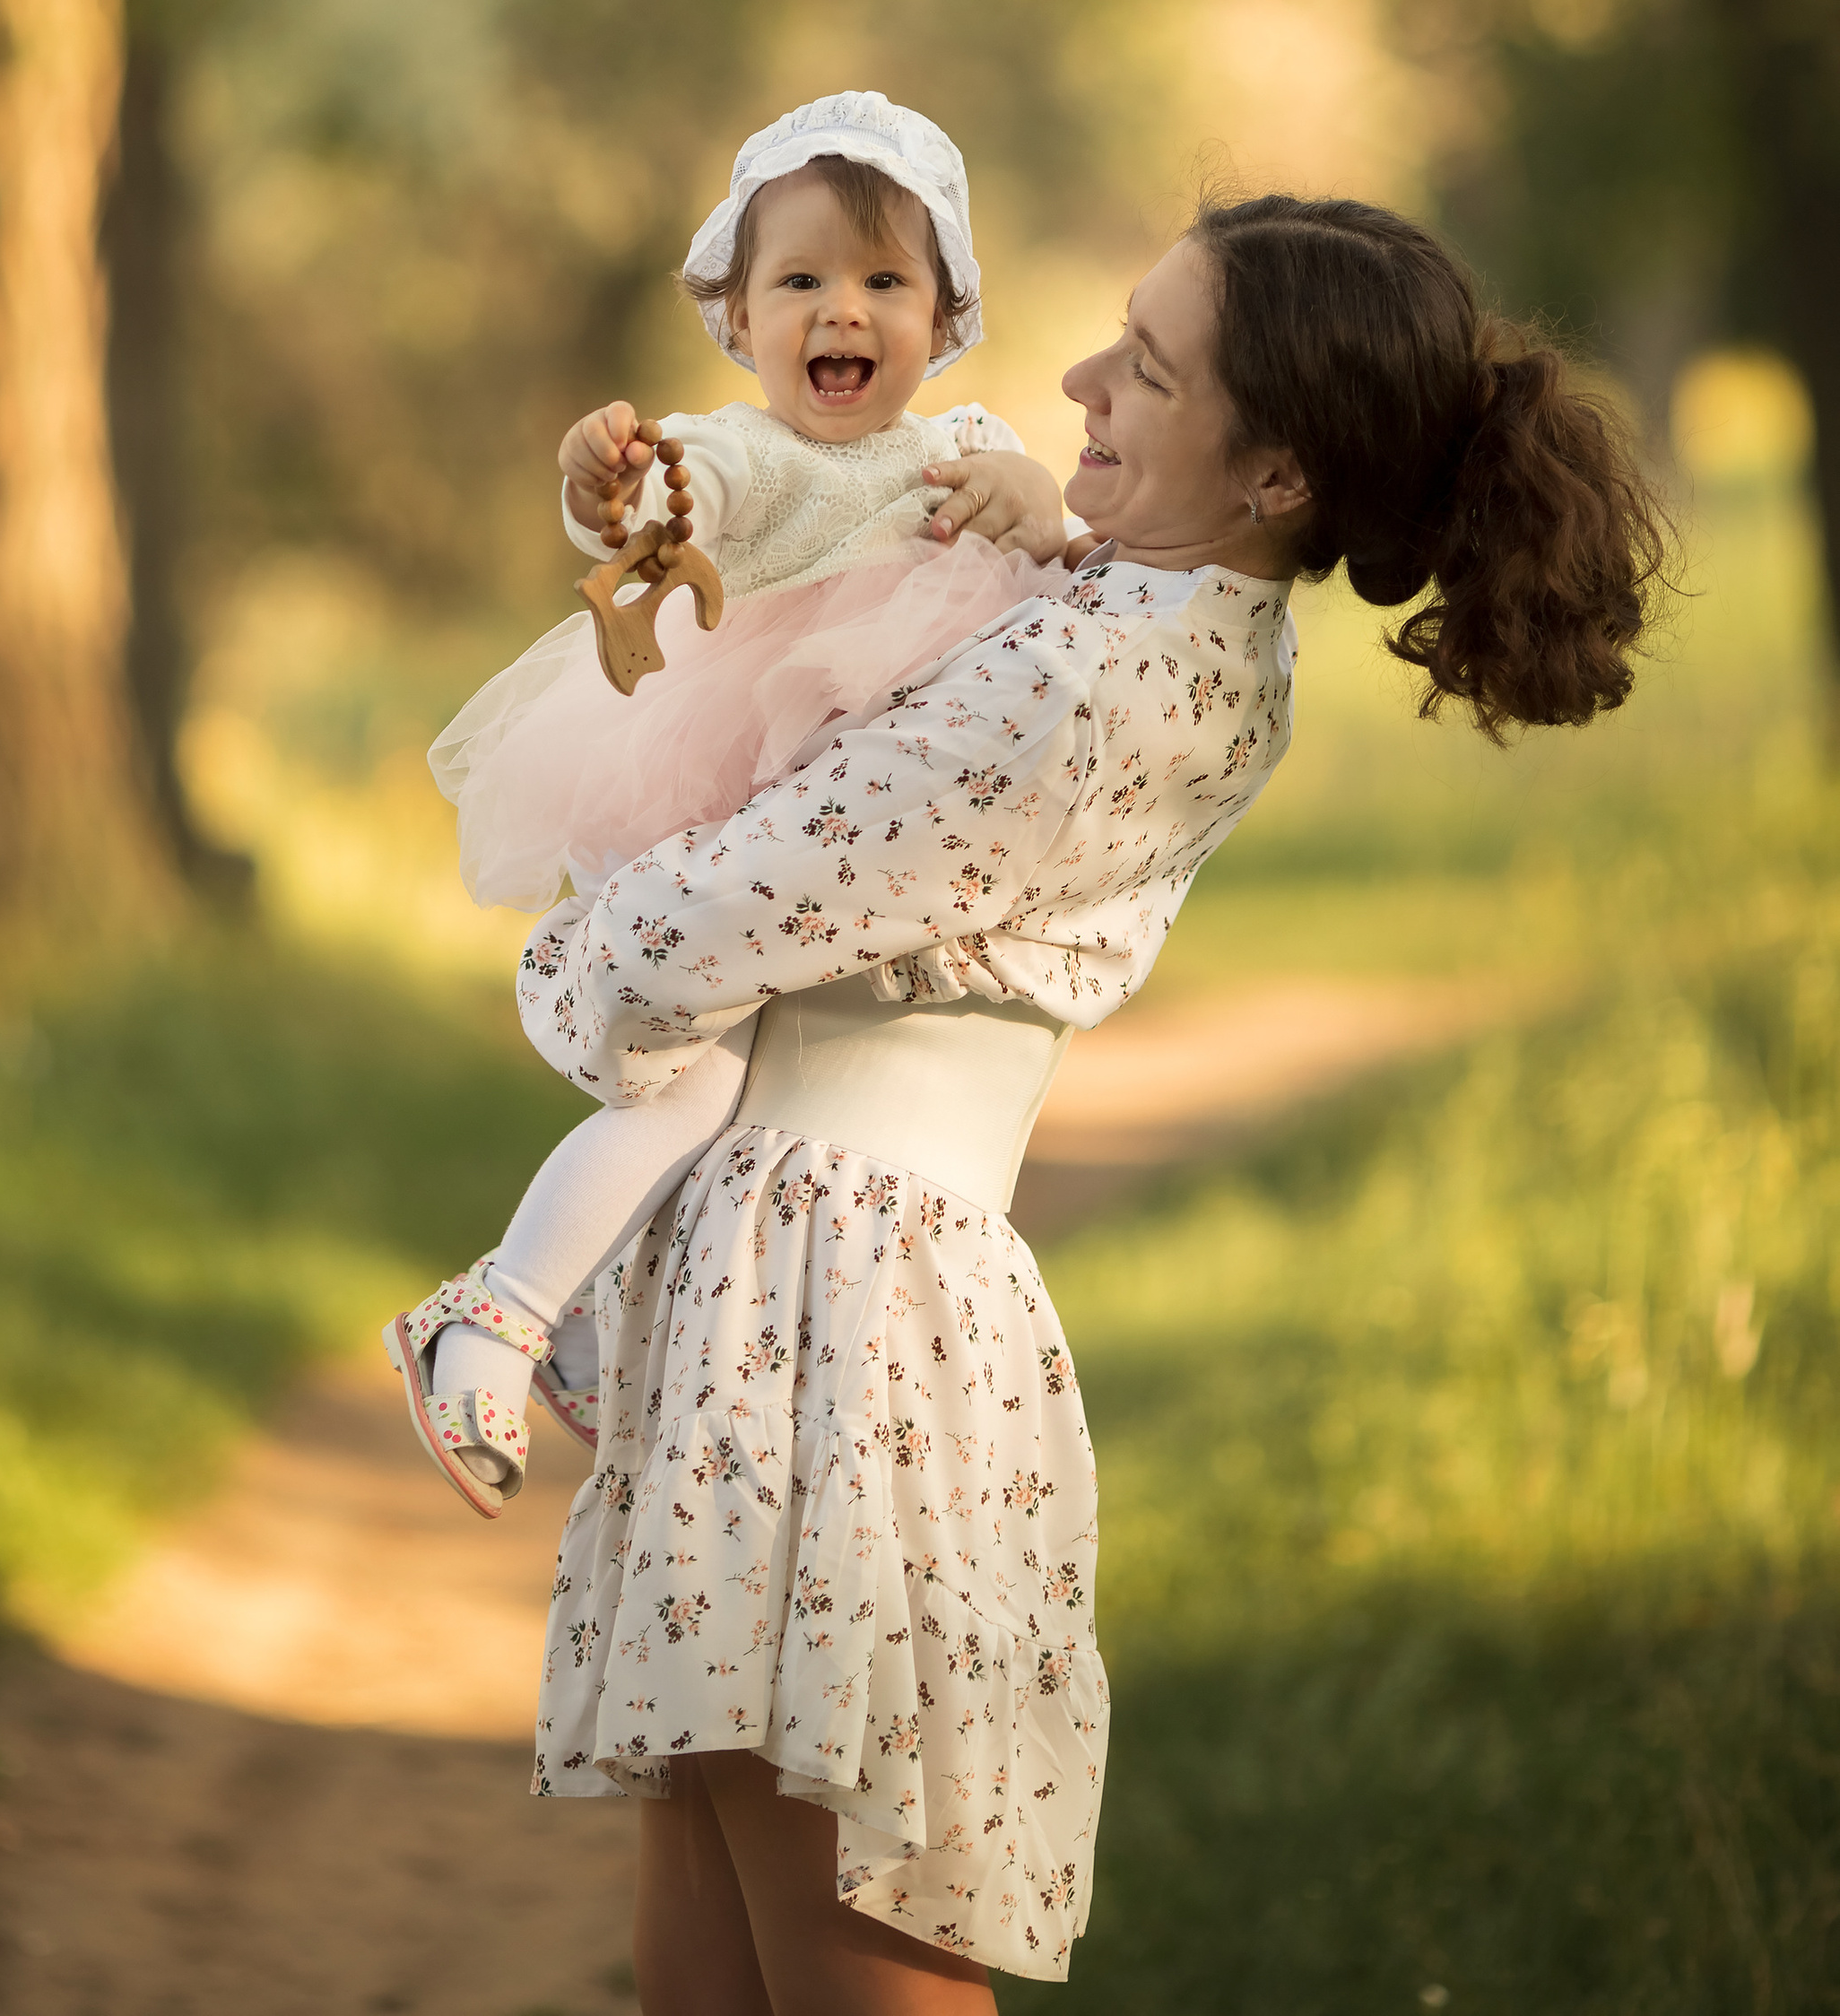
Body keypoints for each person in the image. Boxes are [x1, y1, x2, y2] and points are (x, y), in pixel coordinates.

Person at [512, 194, 1667, 2012]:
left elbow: (656, 954)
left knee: (844, 1950)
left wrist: (564, 943)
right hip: (783, 1275)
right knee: (715, 1930)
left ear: (1277, 474)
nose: (1075, 384)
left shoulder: (1079, 683)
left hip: (843, 1314)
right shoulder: (1135, 613)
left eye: (1145, 367)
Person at [387, 93, 1071, 1510]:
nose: (843, 311)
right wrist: (615, 483)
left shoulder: (965, 443)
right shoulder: (750, 454)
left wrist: (1028, 492)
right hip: (720, 797)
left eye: (885, 281)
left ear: (944, 316)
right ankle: (496, 1314)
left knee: (758, 1102)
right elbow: (669, 502)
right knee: (695, 1085)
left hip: (847, 831)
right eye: (801, 280)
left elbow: (1043, 525)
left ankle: (584, 1325)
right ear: (742, 317)